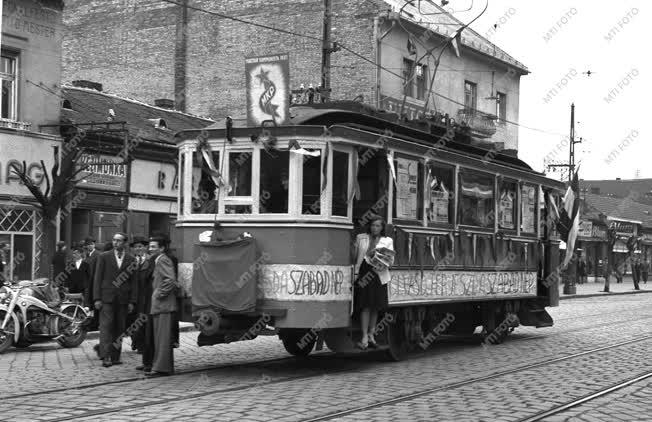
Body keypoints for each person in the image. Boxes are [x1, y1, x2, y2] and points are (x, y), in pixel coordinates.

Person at [93, 232, 138, 367]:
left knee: (119, 328)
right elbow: (98, 278)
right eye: (114, 240)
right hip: (107, 298)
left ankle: (115, 357)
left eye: (119, 241)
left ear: (124, 243)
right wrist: (97, 298)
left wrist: (132, 301)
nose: (115, 243)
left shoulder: (131, 259)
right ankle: (106, 356)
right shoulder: (104, 257)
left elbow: (134, 282)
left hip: (123, 299)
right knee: (106, 328)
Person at [352, 215, 395, 350]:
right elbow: (355, 256)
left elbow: (391, 260)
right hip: (364, 273)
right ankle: (364, 336)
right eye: (373, 225)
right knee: (365, 305)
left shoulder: (387, 240)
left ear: (382, 228)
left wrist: (380, 256)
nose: (375, 228)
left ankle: (372, 334)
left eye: (378, 226)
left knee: (375, 306)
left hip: (379, 274)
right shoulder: (361, 238)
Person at [145, 236, 178, 377]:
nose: (150, 249)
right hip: (161, 304)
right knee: (160, 337)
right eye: (150, 246)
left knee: (162, 338)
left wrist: (159, 294)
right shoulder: (159, 259)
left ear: (162, 248)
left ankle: (161, 368)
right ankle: (163, 367)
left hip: (163, 305)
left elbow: (170, 279)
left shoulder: (163, 259)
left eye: (153, 246)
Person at [128, 236, 151, 354]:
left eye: (141, 246)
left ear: (146, 247)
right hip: (132, 296)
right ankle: (136, 342)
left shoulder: (151, 260)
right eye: (136, 247)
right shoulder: (130, 260)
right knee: (132, 320)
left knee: (143, 320)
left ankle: (142, 344)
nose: (138, 249)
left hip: (146, 295)